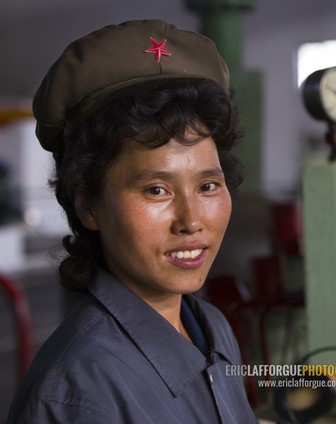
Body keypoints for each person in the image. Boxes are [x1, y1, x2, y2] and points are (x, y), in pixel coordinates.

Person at [8, 19, 258, 423]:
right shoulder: (78, 397)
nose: (191, 221)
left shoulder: (210, 327)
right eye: (156, 190)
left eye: (208, 185)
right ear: (88, 205)